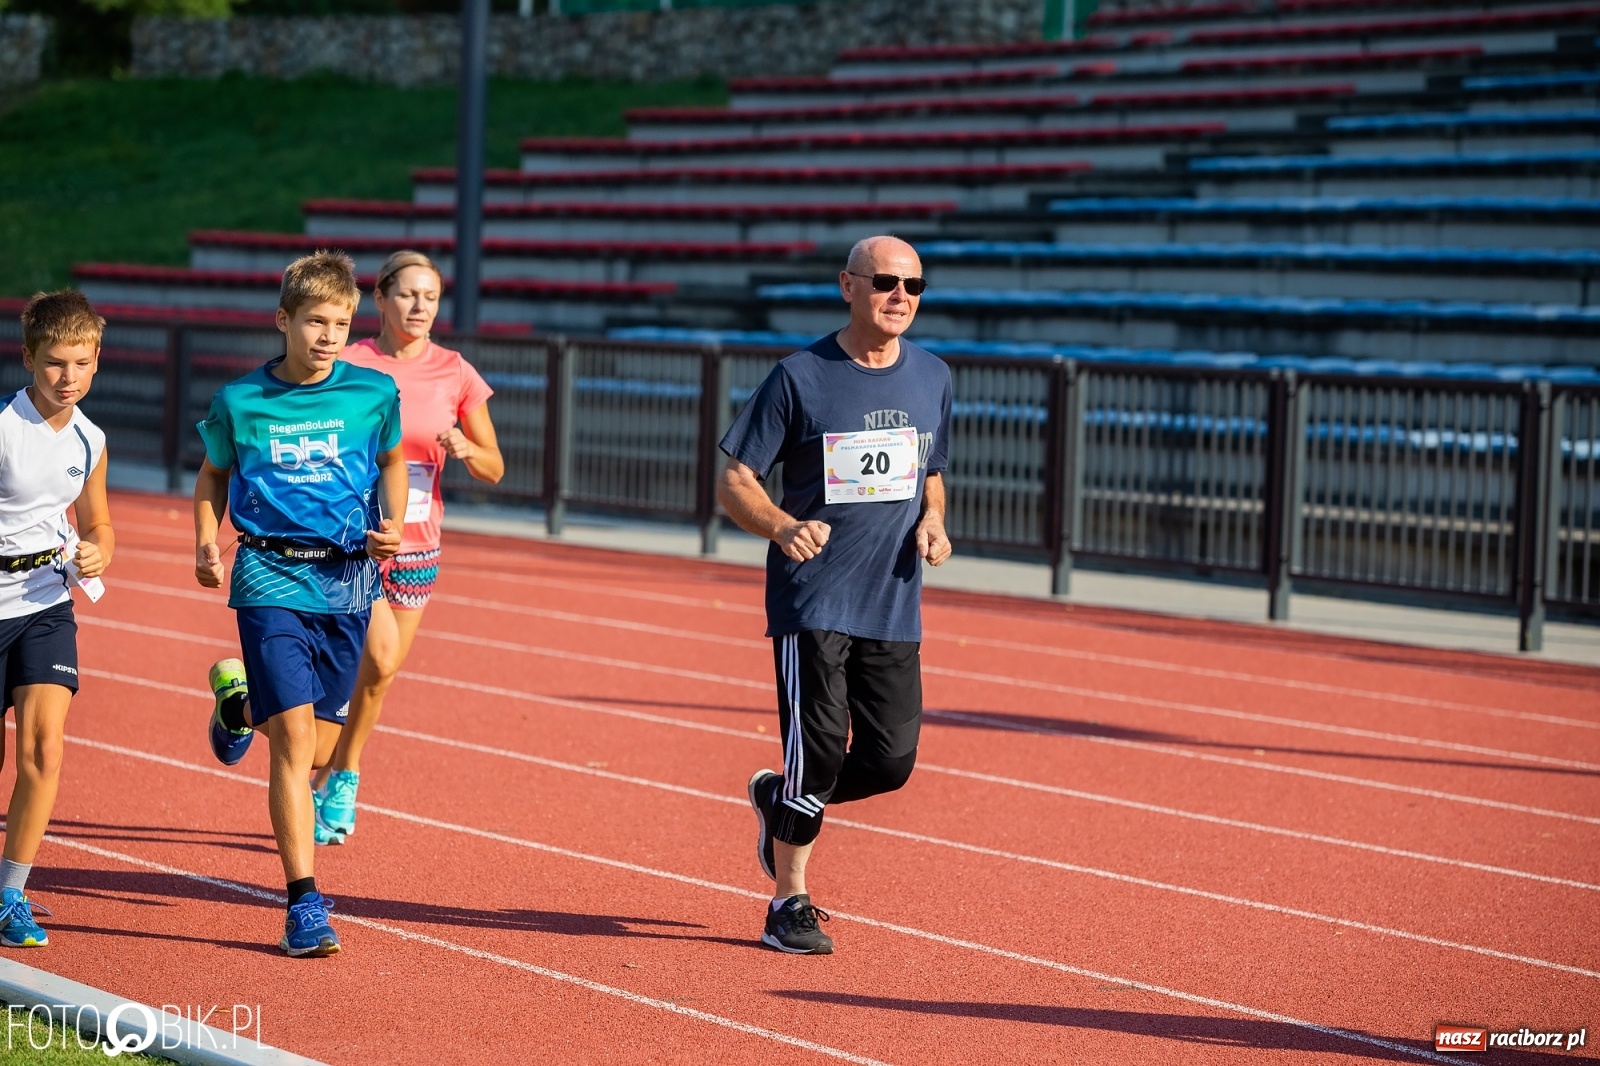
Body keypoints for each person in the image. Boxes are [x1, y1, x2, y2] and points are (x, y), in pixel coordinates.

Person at [717, 235, 952, 955]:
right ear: (847, 286)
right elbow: (734, 478)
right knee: (816, 754)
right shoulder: (800, 377)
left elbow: (931, 470)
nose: (900, 297)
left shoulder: (933, 377)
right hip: (813, 597)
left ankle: (779, 800)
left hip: (892, 599)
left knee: (889, 763)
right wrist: (784, 526)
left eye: (914, 285)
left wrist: (935, 522)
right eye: (884, 282)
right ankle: (789, 900)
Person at [193, 250, 406, 957]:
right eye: (316, 320)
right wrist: (206, 541)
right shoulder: (240, 401)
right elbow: (212, 475)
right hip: (269, 576)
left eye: (341, 323)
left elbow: (393, 460)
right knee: (291, 745)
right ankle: (303, 903)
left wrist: (394, 524)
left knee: (316, 745)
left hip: (348, 583)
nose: (328, 335)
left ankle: (237, 705)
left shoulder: (372, 395)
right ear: (284, 320)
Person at [309, 249, 503, 845]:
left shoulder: (455, 371)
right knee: (378, 656)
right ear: (382, 299)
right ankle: (332, 767)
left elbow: (495, 466)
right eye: (408, 295)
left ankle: (336, 772)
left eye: (431, 297)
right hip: (354, 542)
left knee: (377, 677)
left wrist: (468, 452)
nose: (420, 307)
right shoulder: (349, 362)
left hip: (418, 544)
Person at [0, 291, 115, 949]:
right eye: (53, 364)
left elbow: (98, 520)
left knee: (44, 745)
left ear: (97, 360)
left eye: (79, 362)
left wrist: (100, 547)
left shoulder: (89, 437)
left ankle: (11, 892)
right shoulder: (3, 429)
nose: (67, 377)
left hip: (47, 601)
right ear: (28, 358)